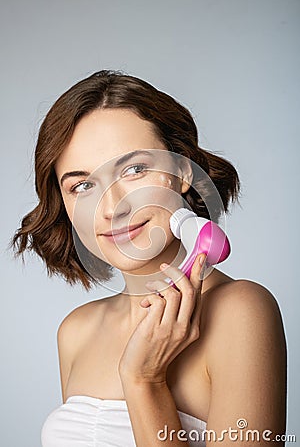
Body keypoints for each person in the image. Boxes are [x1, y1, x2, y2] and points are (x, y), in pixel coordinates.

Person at [12, 70, 287, 446]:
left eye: (134, 169)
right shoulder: (76, 331)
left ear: (182, 173)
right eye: (82, 185)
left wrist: (144, 380)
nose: (111, 208)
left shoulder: (239, 312)